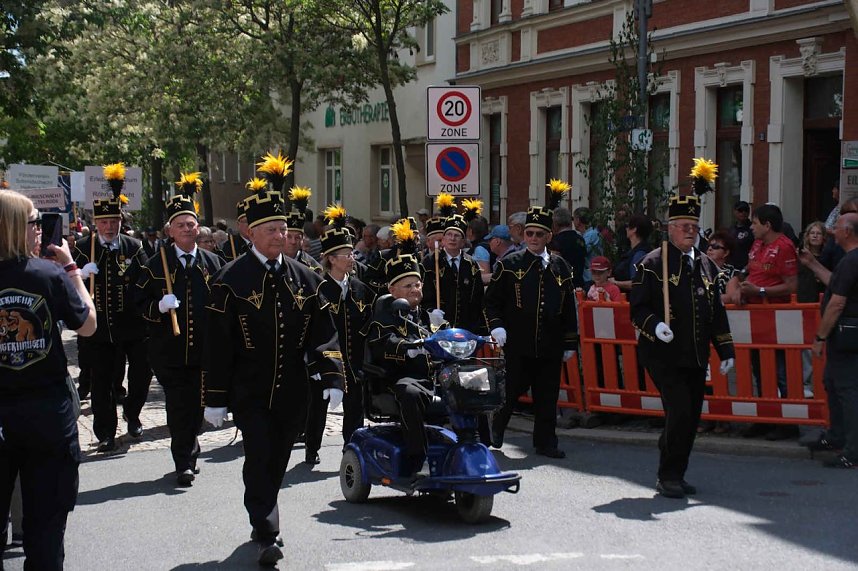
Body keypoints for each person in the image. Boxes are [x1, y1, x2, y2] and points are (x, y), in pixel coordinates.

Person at [202, 174, 343, 566]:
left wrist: (332, 377)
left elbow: (324, 333)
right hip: (249, 388)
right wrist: (214, 399)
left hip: (293, 389)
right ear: (252, 233)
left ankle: (263, 509)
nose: (280, 236)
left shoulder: (307, 278)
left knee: (278, 455)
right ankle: (267, 530)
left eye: (283, 229)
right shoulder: (229, 280)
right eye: (271, 229)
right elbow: (217, 344)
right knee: (260, 454)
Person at [0, 190, 97, 570]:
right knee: (45, 528)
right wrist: (73, 271)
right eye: (33, 223)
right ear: (12, 228)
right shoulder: (48, 275)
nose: (39, 231)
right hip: (46, 416)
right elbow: (88, 325)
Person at [630, 194, 735, 498]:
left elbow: (716, 312)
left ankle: (677, 466)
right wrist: (655, 325)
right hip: (662, 354)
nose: (690, 231)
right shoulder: (651, 263)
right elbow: (637, 308)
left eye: (694, 226)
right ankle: (668, 476)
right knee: (679, 411)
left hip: (696, 353)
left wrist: (725, 349)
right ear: (670, 229)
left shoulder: (707, 266)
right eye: (683, 226)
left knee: (690, 416)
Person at [134, 179, 224, 486]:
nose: (187, 229)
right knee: (178, 406)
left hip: (204, 350)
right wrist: (158, 307)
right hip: (169, 353)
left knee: (197, 408)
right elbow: (138, 304)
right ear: (170, 231)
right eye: (181, 225)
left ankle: (191, 446)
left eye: (191, 224)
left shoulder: (214, 264)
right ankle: (183, 461)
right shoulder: (153, 265)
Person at [485, 203, 578, 459]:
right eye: (529, 234)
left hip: (550, 342)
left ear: (549, 236)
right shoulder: (510, 264)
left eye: (539, 234)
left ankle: (546, 442)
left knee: (547, 396)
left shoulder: (561, 268)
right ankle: (497, 428)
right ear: (524, 236)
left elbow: (569, 307)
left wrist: (570, 342)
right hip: (518, 341)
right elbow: (492, 301)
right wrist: (497, 326)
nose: (534, 239)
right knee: (512, 390)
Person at [73, 163, 152, 451]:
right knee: (102, 380)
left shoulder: (134, 246)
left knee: (142, 373)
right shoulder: (84, 247)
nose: (108, 227)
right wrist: (80, 273)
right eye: (103, 222)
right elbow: (68, 280)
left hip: (134, 324)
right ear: (96, 222)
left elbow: (147, 279)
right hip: (100, 326)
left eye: (113, 221)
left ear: (120, 220)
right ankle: (105, 431)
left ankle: (132, 413)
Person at [304, 207, 375, 465]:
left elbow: (369, 320)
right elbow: (310, 329)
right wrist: (312, 363)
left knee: (354, 409)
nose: (351, 258)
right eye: (346, 254)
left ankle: (351, 449)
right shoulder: (317, 288)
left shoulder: (360, 288)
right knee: (318, 408)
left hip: (354, 361)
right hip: (325, 361)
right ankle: (312, 446)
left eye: (352, 253)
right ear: (331, 259)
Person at [364, 254, 445, 476]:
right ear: (393, 290)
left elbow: (452, 342)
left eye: (417, 284)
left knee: (473, 382)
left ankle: (480, 445)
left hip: (438, 377)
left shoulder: (430, 317)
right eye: (407, 285)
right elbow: (382, 344)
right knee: (409, 393)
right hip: (404, 378)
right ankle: (418, 459)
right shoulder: (385, 318)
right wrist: (408, 347)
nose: (415, 289)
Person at [725, 203, 798, 440]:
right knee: (758, 367)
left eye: (755, 223)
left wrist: (761, 290)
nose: (751, 227)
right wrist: (737, 287)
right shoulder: (756, 244)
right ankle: (765, 417)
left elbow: (791, 285)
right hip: (753, 313)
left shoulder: (785, 246)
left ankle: (787, 423)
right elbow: (745, 271)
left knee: (778, 370)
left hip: (775, 316)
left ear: (767, 225)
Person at [809, 211, 858, 469]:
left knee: (847, 390)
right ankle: (837, 437)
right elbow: (836, 285)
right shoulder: (850, 260)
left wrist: (820, 337)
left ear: (848, 232)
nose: (831, 231)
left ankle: (852, 449)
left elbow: (837, 302)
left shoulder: (851, 260)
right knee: (833, 382)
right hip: (846, 335)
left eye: (837, 227)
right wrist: (813, 264)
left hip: (846, 335)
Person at [421, 214, 486, 333]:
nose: (452, 239)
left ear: (463, 241)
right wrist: (431, 311)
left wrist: (482, 329)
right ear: (443, 239)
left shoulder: (471, 264)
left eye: (457, 235)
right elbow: (423, 295)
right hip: (438, 328)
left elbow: (478, 298)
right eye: (449, 235)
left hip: (466, 328)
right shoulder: (430, 261)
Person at [798, 221, 831, 398]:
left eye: (819, 233)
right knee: (805, 346)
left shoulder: (828, 257)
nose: (815, 236)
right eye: (812, 233)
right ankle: (804, 382)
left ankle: (819, 381)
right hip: (804, 303)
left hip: (823, 305)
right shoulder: (800, 257)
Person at [611, 214, 653, 292]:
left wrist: (615, 283)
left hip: (630, 300)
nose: (626, 228)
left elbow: (636, 282)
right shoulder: (633, 251)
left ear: (634, 229)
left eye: (628, 226)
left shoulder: (639, 254)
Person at [550, 207, 587, 290]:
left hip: (562, 285)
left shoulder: (555, 242)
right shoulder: (580, 239)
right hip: (579, 284)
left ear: (555, 223)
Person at [574, 206, 602, 287]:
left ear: (578, 220)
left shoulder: (591, 234)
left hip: (590, 277)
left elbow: (580, 251)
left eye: (574, 218)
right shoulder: (585, 234)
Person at [223, 195, 252, 262]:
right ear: (238, 224)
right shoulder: (228, 246)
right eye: (246, 221)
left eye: (252, 221)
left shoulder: (263, 243)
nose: (250, 225)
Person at [728, 200, 754, 269]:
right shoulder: (731, 229)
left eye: (746, 210)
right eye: (740, 210)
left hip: (746, 267)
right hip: (731, 266)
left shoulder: (752, 228)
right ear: (734, 211)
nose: (743, 213)